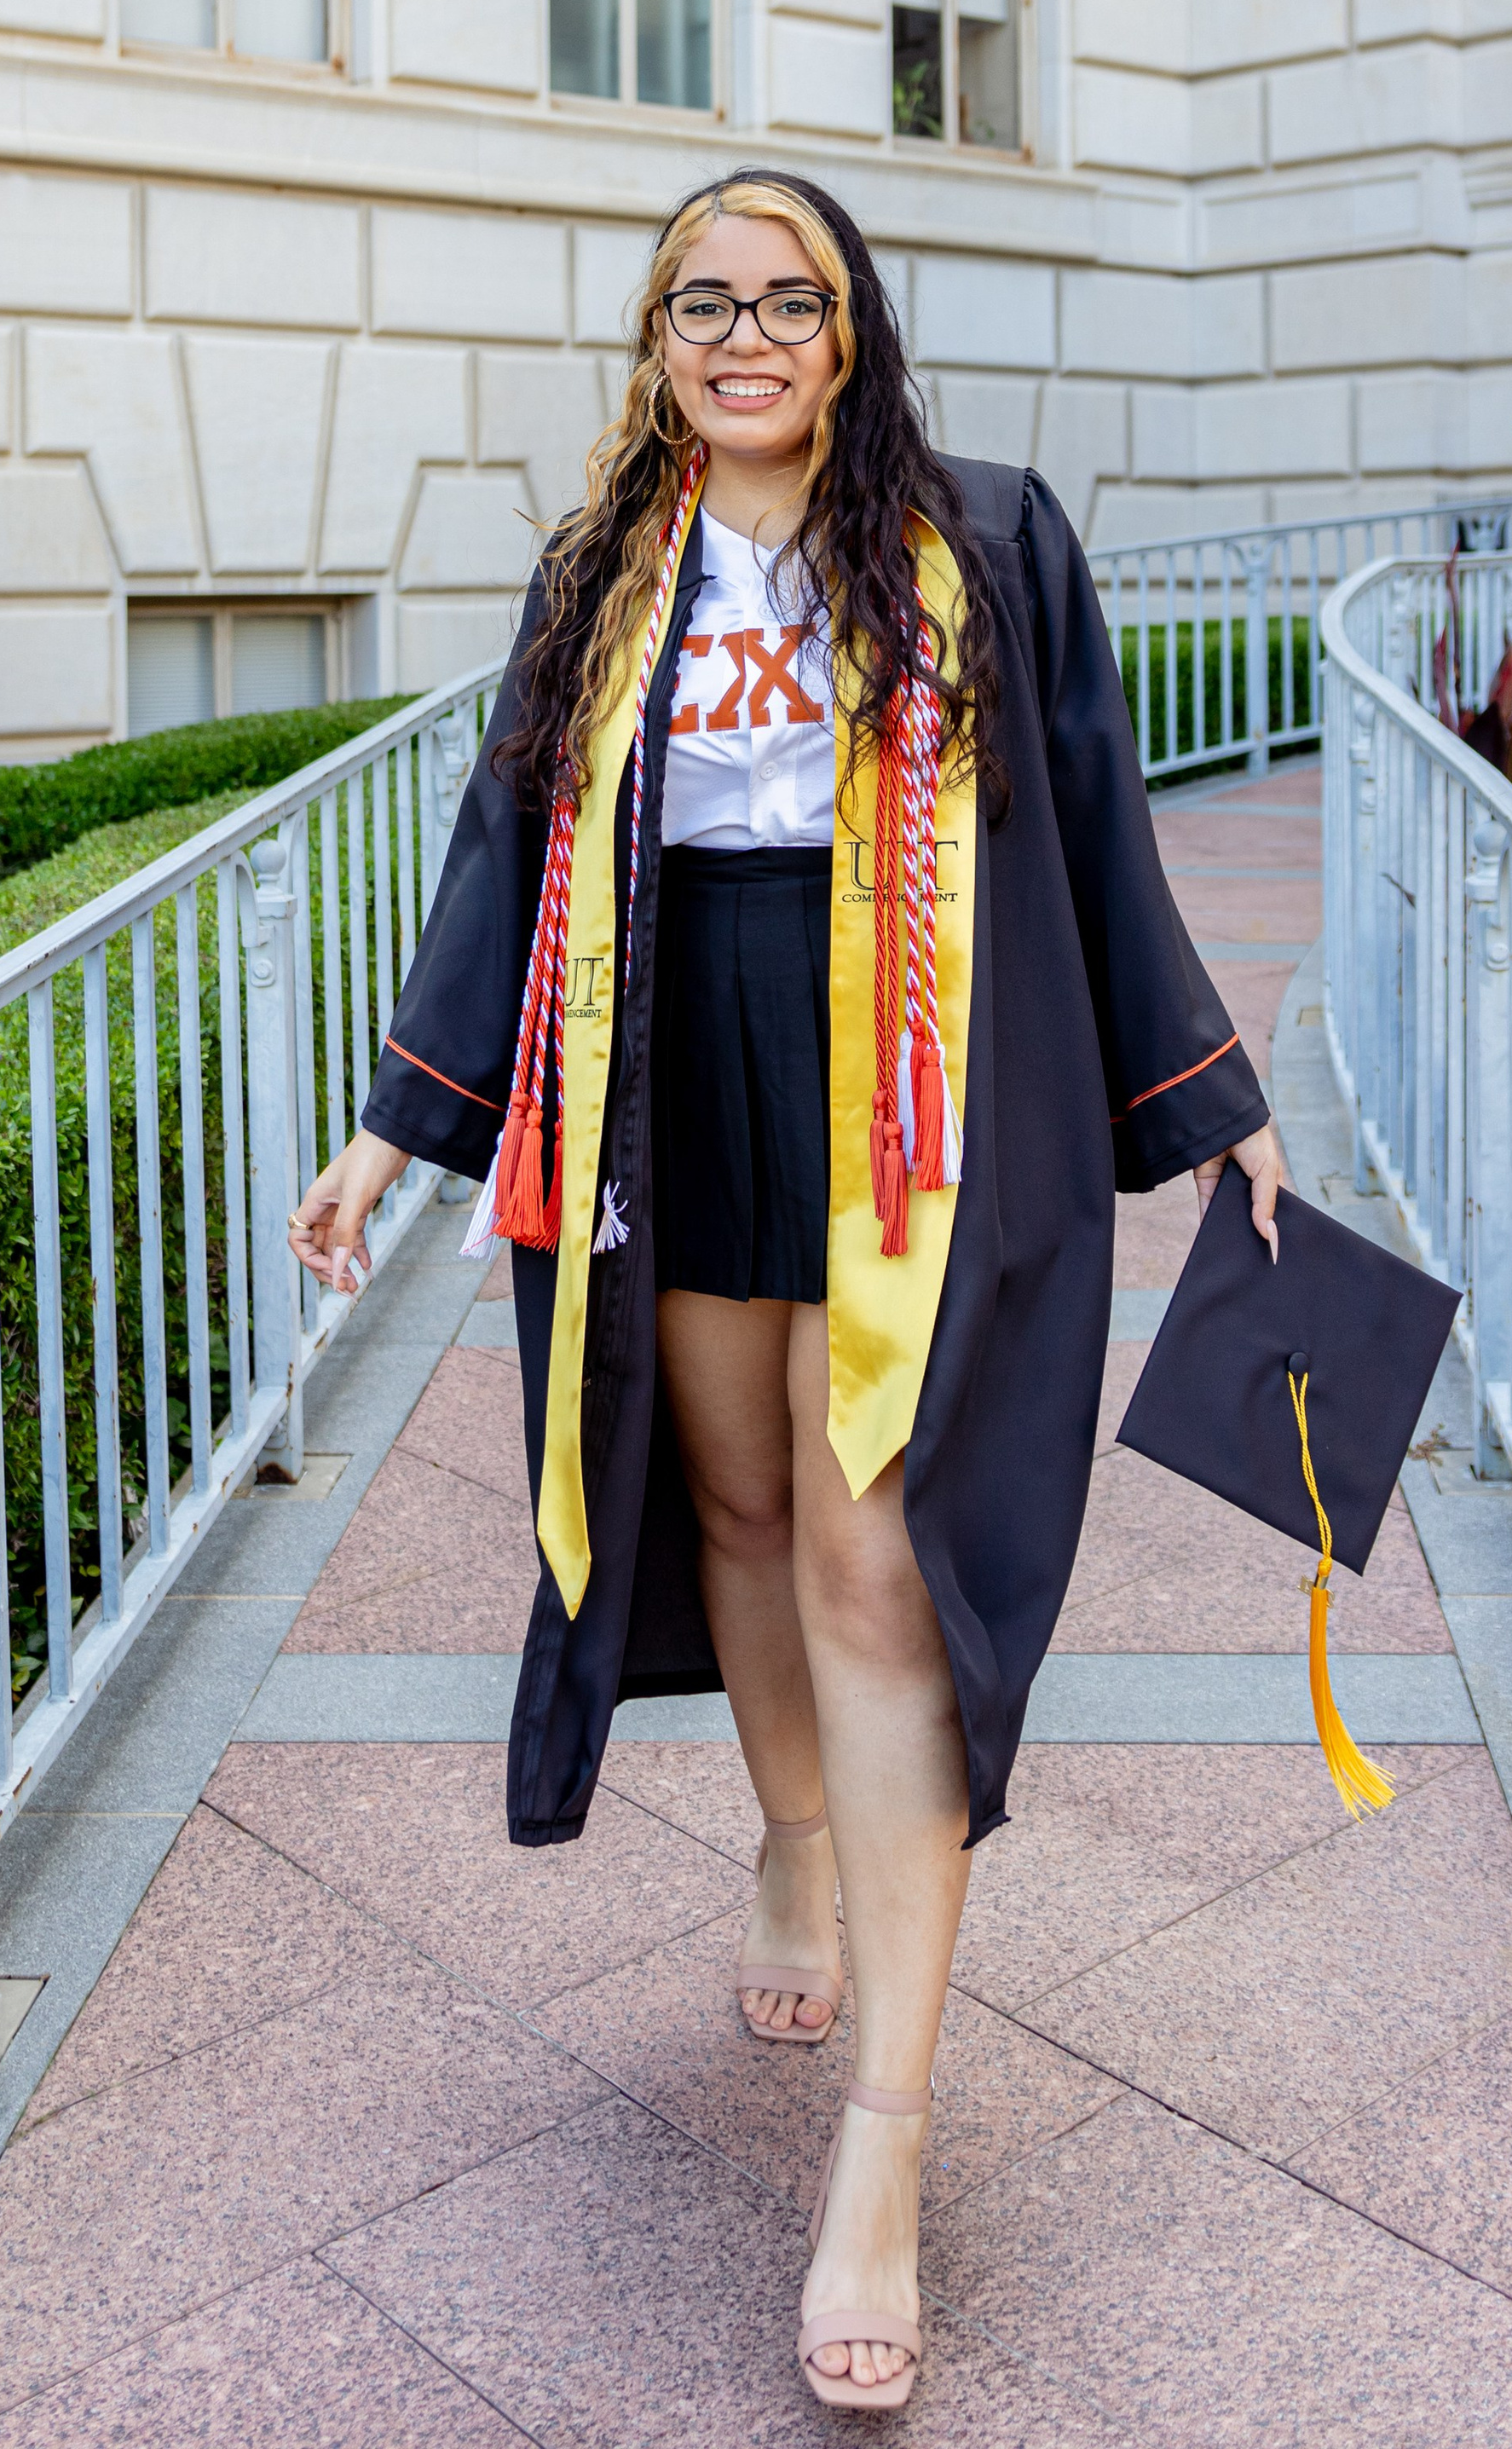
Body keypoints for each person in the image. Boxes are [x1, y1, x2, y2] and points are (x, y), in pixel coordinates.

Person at [291, 170, 1284, 2414]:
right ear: (660, 344)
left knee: (873, 1558)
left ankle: (884, 2156)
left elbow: (1105, 824)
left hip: (908, 1076)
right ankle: (793, 1833)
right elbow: (504, 850)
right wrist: (393, 1125)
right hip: (673, 1071)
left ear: (851, 334)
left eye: (788, 299)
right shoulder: (603, 582)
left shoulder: (986, 543)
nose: (745, 333)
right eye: (701, 302)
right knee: (733, 1506)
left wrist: (1213, 1098)